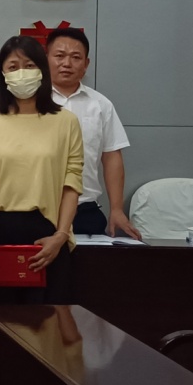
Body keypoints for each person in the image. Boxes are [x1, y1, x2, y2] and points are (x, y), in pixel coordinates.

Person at [0, 36, 84, 305]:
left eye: (29, 65)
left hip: (46, 236)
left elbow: (71, 184)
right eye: (13, 67)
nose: (21, 73)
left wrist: (60, 236)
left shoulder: (66, 121)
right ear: (2, 74)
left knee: (48, 321)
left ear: (42, 70)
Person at [47, 28, 141, 239]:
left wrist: (116, 209)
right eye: (59, 56)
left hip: (84, 209)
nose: (67, 63)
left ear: (86, 64)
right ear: (46, 59)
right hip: (39, 209)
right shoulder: (29, 102)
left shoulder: (100, 104)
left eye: (76, 57)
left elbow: (111, 156)